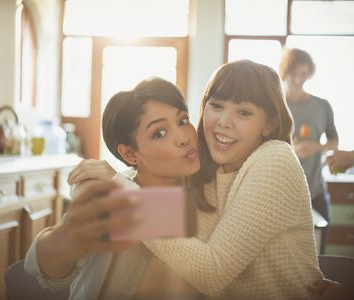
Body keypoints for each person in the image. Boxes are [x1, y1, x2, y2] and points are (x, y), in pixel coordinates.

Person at [73, 60, 331, 299]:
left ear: (269, 124)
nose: (223, 122)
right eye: (216, 106)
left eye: (243, 113)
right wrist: (107, 181)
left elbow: (211, 272)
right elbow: (141, 181)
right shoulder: (207, 170)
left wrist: (122, 190)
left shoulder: (275, 159)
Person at [24, 77, 202, 299]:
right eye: (160, 133)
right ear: (130, 154)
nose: (184, 138)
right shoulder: (108, 199)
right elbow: (46, 272)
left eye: (183, 121)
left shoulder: (208, 196)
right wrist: (66, 236)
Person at [279, 48, 339, 254]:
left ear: (309, 74)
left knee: (318, 252)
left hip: (315, 190)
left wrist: (316, 147)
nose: (298, 79)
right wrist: (291, 150)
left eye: (303, 74)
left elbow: (334, 142)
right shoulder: (277, 106)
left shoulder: (322, 106)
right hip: (283, 192)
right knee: (287, 254)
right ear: (285, 72)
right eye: (294, 73)